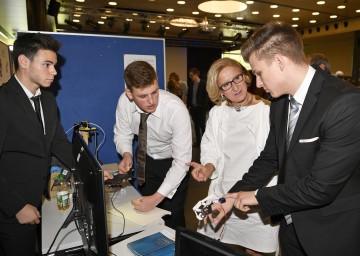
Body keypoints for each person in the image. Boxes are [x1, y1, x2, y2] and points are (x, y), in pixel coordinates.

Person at [209, 21, 360, 255]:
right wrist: (231, 197)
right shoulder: (280, 102)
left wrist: (258, 196)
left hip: (330, 232)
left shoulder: (345, 103)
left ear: (279, 61)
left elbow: (320, 188)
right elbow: (270, 158)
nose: (257, 83)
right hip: (291, 226)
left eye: (258, 73)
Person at [188, 58, 279, 256]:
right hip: (222, 195)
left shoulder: (268, 112)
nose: (235, 87)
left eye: (237, 78)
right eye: (226, 84)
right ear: (219, 90)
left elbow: (272, 160)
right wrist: (209, 167)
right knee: (212, 249)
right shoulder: (217, 114)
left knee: (257, 252)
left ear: (245, 77)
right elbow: (210, 146)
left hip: (254, 201)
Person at [0, 33, 75, 256]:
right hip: (11, 210)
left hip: (36, 200)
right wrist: (17, 207)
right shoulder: (3, 102)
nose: (55, 71)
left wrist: (91, 168)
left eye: (54, 65)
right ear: (24, 61)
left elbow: (59, 143)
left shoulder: (48, 99)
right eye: (47, 64)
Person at [113, 61, 192, 229]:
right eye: (143, 96)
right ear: (129, 93)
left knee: (172, 218)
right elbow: (122, 133)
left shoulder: (176, 110)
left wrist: (156, 198)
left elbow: (182, 162)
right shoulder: (123, 102)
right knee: (151, 219)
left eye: (154, 92)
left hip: (173, 164)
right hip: (145, 160)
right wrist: (126, 154)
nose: (151, 101)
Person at [187, 68, 209, 147]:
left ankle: (205, 142)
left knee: (202, 125)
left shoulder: (204, 84)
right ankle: (198, 142)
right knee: (196, 126)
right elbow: (189, 96)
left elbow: (206, 97)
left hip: (201, 108)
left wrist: (204, 108)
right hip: (193, 108)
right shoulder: (191, 84)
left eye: (191, 75)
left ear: (196, 74)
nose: (190, 77)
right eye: (189, 75)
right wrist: (188, 106)